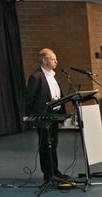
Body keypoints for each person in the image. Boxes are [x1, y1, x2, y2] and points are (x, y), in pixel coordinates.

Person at [25, 48, 67, 182]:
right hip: (43, 118)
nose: (56, 61)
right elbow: (29, 98)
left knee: (53, 144)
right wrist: (33, 118)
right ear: (44, 60)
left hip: (54, 117)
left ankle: (55, 171)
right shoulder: (36, 77)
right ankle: (48, 174)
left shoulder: (52, 76)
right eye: (53, 59)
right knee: (45, 146)